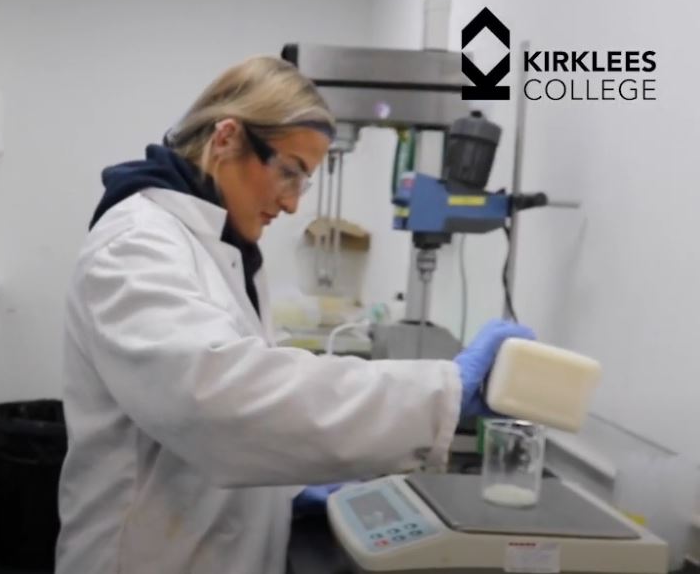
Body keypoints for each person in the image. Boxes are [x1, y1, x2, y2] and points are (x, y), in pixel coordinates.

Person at [55, 55, 534, 573]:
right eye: (290, 173)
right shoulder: (136, 246)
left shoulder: (222, 248)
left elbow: (248, 397)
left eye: (303, 183)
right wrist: (443, 393)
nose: (291, 205)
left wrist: (286, 492)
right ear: (227, 139)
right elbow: (220, 403)